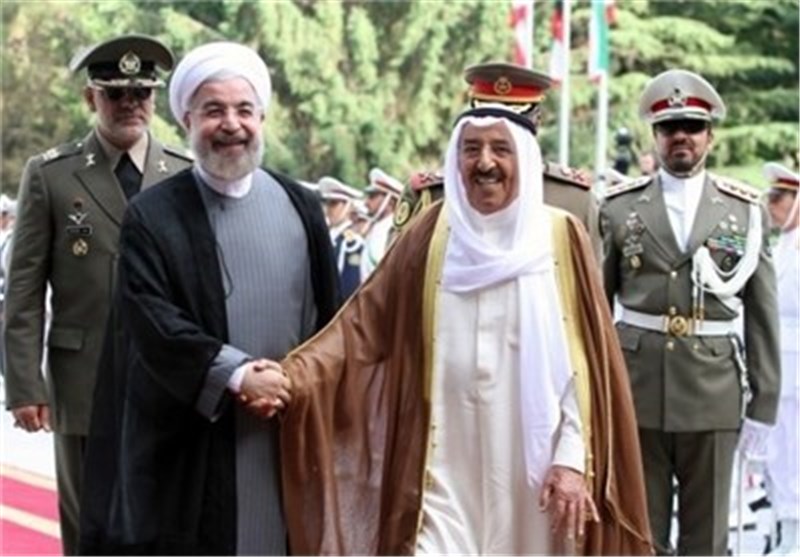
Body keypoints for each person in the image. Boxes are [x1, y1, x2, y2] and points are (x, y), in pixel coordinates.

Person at [270, 105, 652, 555]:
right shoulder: (429, 234)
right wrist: (290, 377)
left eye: (500, 149)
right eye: (471, 149)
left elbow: (584, 366)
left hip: (534, 479)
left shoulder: (560, 237)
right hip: (441, 473)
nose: (484, 162)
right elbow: (361, 328)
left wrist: (571, 460)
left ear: (525, 158)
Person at [78, 41, 339, 556]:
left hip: (284, 428)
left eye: (244, 110)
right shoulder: (153, 215)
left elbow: (331, 320)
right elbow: (151, 321)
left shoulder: (302, 206)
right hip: (190, 441)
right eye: (214, 110)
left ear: (262, 118)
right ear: (187, 120)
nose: (231, 124)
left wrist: (296, 381)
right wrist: (237, 375)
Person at [2, 34, 190, 555]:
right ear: (91, 98)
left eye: (141, 93)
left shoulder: (184, 173)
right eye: (115, 94)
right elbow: (24, 288)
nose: (130, 104)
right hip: (82, 378)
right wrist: (24, 384)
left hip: (165, 377)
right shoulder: (52, 174)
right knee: (90, 524)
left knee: (164, 520)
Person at [600, 69, 780, 555]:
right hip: (637, 388)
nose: (681, 136)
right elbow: (597, 309)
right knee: (640, 535)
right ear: (655, 136)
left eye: (693, 126)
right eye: (669, 127)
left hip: (712, 390)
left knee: (708, 539)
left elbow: (762, 313)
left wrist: (764, 405)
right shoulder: (617, 209)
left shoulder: (744, 211)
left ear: (709, 136)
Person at [392, 62, 602, 258]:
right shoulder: (430, 197)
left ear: (536, 123)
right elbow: (392, 278)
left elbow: (592, 281)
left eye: (502, 146)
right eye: (475, 145)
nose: (486, 163)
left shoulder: (574, 200)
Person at [762, 162, 799, 555]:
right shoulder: (780, 245)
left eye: (779, 197)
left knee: (795, 450)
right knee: (779, 450)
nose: (771, 205)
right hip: (778, 365)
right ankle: (785, 526)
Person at [318, 175, 364, 298]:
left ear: (348, 207)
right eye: (327, 204)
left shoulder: (351, 243)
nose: (328, 209)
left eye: (334, 204)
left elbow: (349, 285)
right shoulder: (330, 236)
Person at [359, 167, 402, 280]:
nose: (366, 202)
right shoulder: (374, 229)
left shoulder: (395, 231)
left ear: (390, 201)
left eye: (372, 197)